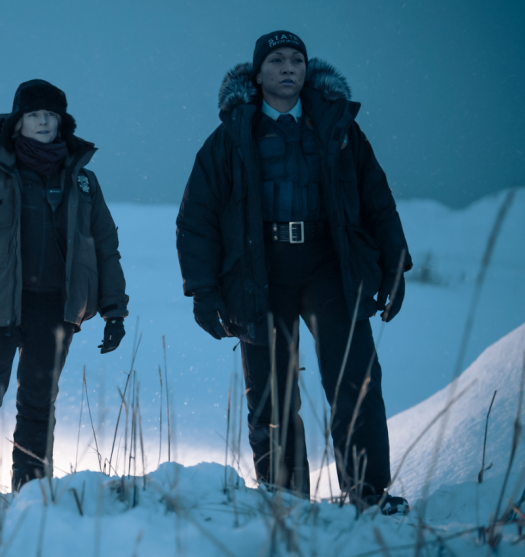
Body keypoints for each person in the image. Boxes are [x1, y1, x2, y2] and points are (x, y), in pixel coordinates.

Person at [176, 31, 411, 514]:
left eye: (297, 60)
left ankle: (369, 494)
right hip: (262, 272)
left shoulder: (338, 127)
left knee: (355, 379)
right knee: (271, 393)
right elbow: (197, 217)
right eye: (277, 60)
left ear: (307, 70)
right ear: (257, 73)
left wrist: (395, 265)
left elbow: (376, 199)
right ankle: (288, 501)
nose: (288, 68)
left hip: (330, 266)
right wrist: (203, 290)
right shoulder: (231, 137)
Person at [0, 79, 129, 523]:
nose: (43, 121)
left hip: (56, 308)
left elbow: (104, 245)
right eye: (35, 114)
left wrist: (114, 308)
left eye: (51, 115)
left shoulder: (82, 181)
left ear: (62, 122)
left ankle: (31, 501)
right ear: (18, 121)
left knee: (38, 403)